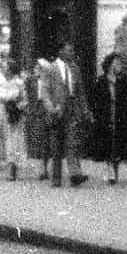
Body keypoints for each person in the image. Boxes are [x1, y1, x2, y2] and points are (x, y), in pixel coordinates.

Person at [42, 41, 90, 188]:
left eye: (72, 51)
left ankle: (75, 174)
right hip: (57, 110)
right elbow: (45, 91)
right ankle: (56, 177)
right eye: (68, 51)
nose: (71, 53)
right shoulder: (51, 69)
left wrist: (84, 109)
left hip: (72, 108)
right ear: (61, 52)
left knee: (72, 142)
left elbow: (80, 91)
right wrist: (51, 108)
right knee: (56, 144)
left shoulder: (75, 68)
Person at [90, 52, 127, 185]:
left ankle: (114, 169)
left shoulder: (125, 80)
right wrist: (96, 113)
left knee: (117, 142)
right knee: (107, 142)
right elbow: (94, 99)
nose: (120, 66)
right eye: (117, 63)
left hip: (120, 116)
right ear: (110, 65)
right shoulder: (101, 80)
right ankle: (109, 168)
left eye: (120, 63)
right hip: (106, 116)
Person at [0, 59, 27, 180]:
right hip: (5, 115)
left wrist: (18, 107)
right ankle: (10, 168)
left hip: (16, 116)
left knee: (16, 141)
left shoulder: (18, 82)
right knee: (8, 141)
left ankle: (14, 170)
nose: (4, 70)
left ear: (11, 69)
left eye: (6, 68)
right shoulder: (4, 83)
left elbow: (24, 99)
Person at [24, 59, 51, 180]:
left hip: (45, 108)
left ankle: (44, 167)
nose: (36, 69)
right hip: (35, 110)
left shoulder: (48, 80)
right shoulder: (30, 80)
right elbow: (27, 94)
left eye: (39, 67)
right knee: (38, 139)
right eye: (35, 67)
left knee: (46, 139)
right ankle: (41, 168)